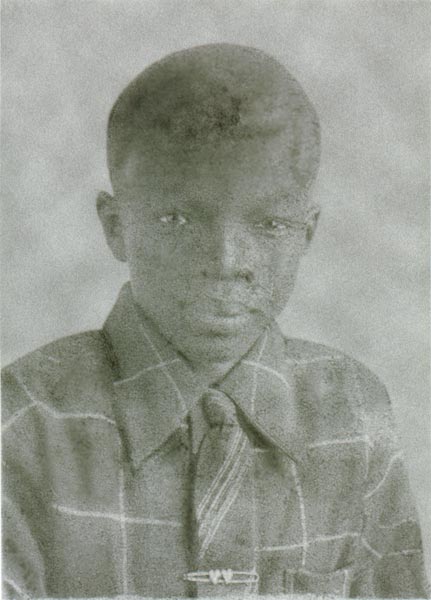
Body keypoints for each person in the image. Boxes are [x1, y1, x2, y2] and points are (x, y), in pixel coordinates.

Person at [2, 44, 429, 599]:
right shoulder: (23, 425)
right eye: (177, 218)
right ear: (114, 226)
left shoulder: (353, 411)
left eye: (270, 223)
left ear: (308, 231)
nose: (227, 262)